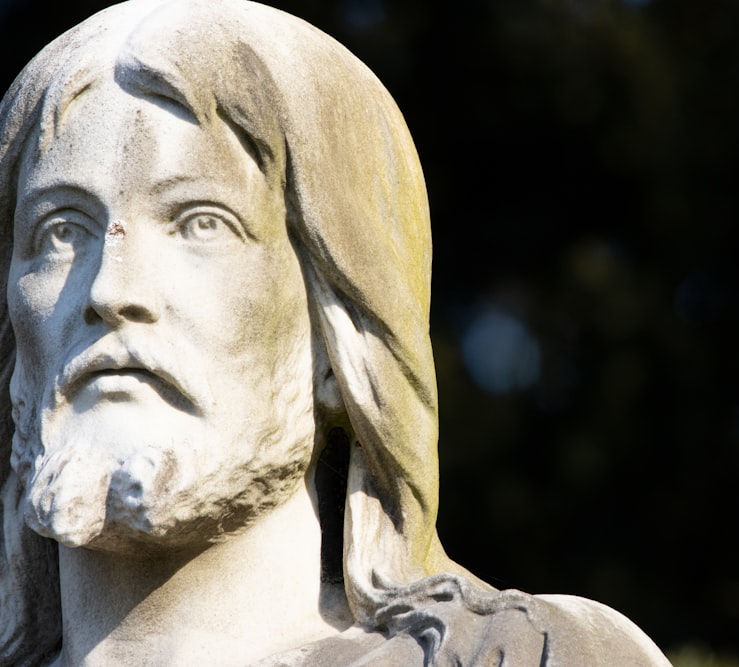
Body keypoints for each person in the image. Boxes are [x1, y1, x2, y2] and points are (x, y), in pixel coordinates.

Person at [0, 1, 670, 665]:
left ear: (336, 326)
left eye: (202, 223)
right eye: (60, 232)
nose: (112, 291)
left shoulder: (530, 658)